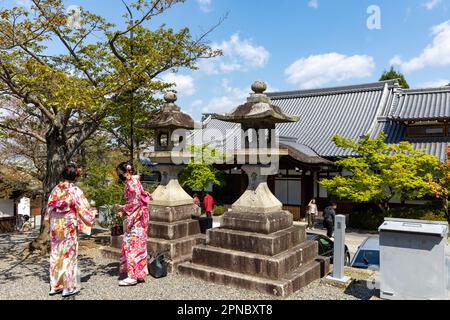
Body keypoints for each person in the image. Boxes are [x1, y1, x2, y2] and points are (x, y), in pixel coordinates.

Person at [45, 164, 97, 298]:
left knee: (56, 253)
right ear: (76, 177)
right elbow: (83, 208)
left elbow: (49, 207)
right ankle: (68, 287)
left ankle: (55, 286)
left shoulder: (56, 189)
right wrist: (92, 214)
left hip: (56, 224)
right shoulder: (75, 190)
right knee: (68, 254)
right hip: (68, 224)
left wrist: (50, 219)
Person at [115, 162, 151, 287]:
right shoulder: (134, 181)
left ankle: (132, 276)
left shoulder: (132, 183)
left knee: (132, 245)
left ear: (126, 171)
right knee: (138, 245)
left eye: (119, 171)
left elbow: (135, 203)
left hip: (137, 217)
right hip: (139, 217)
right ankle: (139, 274)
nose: (118, 174)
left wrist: (122, 208)